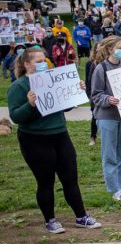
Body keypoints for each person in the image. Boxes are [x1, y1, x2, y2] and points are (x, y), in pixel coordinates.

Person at [8, 46, 102, 233]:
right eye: (38, 61)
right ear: (27, 64)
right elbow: (16, 117)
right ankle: (50, 219)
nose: (44, 64)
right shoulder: (18, 87)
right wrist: (30, 104)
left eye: (45, 60)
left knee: (70, 178)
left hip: (60, 134)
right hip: (35, 139)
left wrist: (74, 92)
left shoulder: (52, 79)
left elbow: (63, 107)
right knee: (46, 181)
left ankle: (81, 216)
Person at [90, 35, 121, 201]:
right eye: (119, 47)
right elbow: (95, 95)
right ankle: (114, 190)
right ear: (110, 49)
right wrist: (108, 99)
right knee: (109, 154)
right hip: (107, 117)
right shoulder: (101, 68)